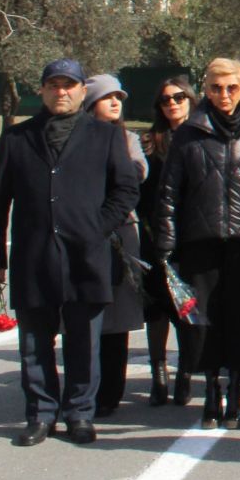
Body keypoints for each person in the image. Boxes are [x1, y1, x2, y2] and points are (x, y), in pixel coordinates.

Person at [0, 59, 141, 446]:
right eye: (54, 85)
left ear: (82, 91)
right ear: (43, 90)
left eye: (69, 85)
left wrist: (97, 227)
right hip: (33, 257)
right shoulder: (17, 139)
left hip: (86, 257)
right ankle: (41, 414)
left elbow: (126, 190)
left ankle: (79, 414)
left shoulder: (105, 137)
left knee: (84, 342)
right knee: (34, 343)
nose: (62, 92)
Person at [155, 57, 240, 430]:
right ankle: (210, 391)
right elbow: (169, 192)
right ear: (205, 89)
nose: (224, 95)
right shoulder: (189, 132)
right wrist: (166, 244)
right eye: (215, 88)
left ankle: (236, 391)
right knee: (202, 323)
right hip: (200, 243)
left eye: (232, 88)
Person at [84, 75, 148, 418]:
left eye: (118, 97)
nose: (114, 102)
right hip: (84, 233)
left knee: (118, 317)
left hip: (123, 232)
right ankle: (85, 388)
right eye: (106, 97)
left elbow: (139, 172)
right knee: (87, 314)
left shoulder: (129, 138)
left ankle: (111, 392)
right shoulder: (76, 137)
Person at [140, 75, 196, 407]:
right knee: (157, 310)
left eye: (178, 97)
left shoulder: (203, 136)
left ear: (190, 99)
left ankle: (186, 374)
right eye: (165, 100)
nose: (172, 103)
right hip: (154, 236)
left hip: (192, 238)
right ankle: (158, 375)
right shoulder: (148, 141)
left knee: (187, 308)